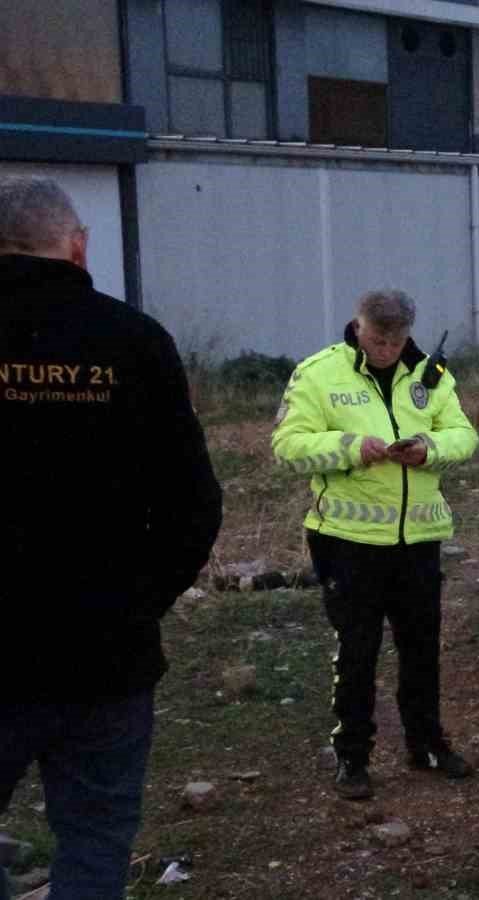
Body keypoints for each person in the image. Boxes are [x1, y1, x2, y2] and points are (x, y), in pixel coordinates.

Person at [0, 175, 223, 899]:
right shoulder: (133, 341)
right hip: (105, 654)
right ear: (78, 245)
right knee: (94, 842)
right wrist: (137, 602)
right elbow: (195, 507)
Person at [271, 290, 479, 800]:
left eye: (395, 340)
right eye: (375, 338)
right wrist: (348, 448)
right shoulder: (319, 373)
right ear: (356, 326)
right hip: (347, 542)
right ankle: (353, 758)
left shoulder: (431, 375)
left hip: (418, 540)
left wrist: (429, 449)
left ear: (409, 334)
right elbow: (287, 446)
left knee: (422, 647)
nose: (385, 349)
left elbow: (464, 435)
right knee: (358, 651)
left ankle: (427, 744)